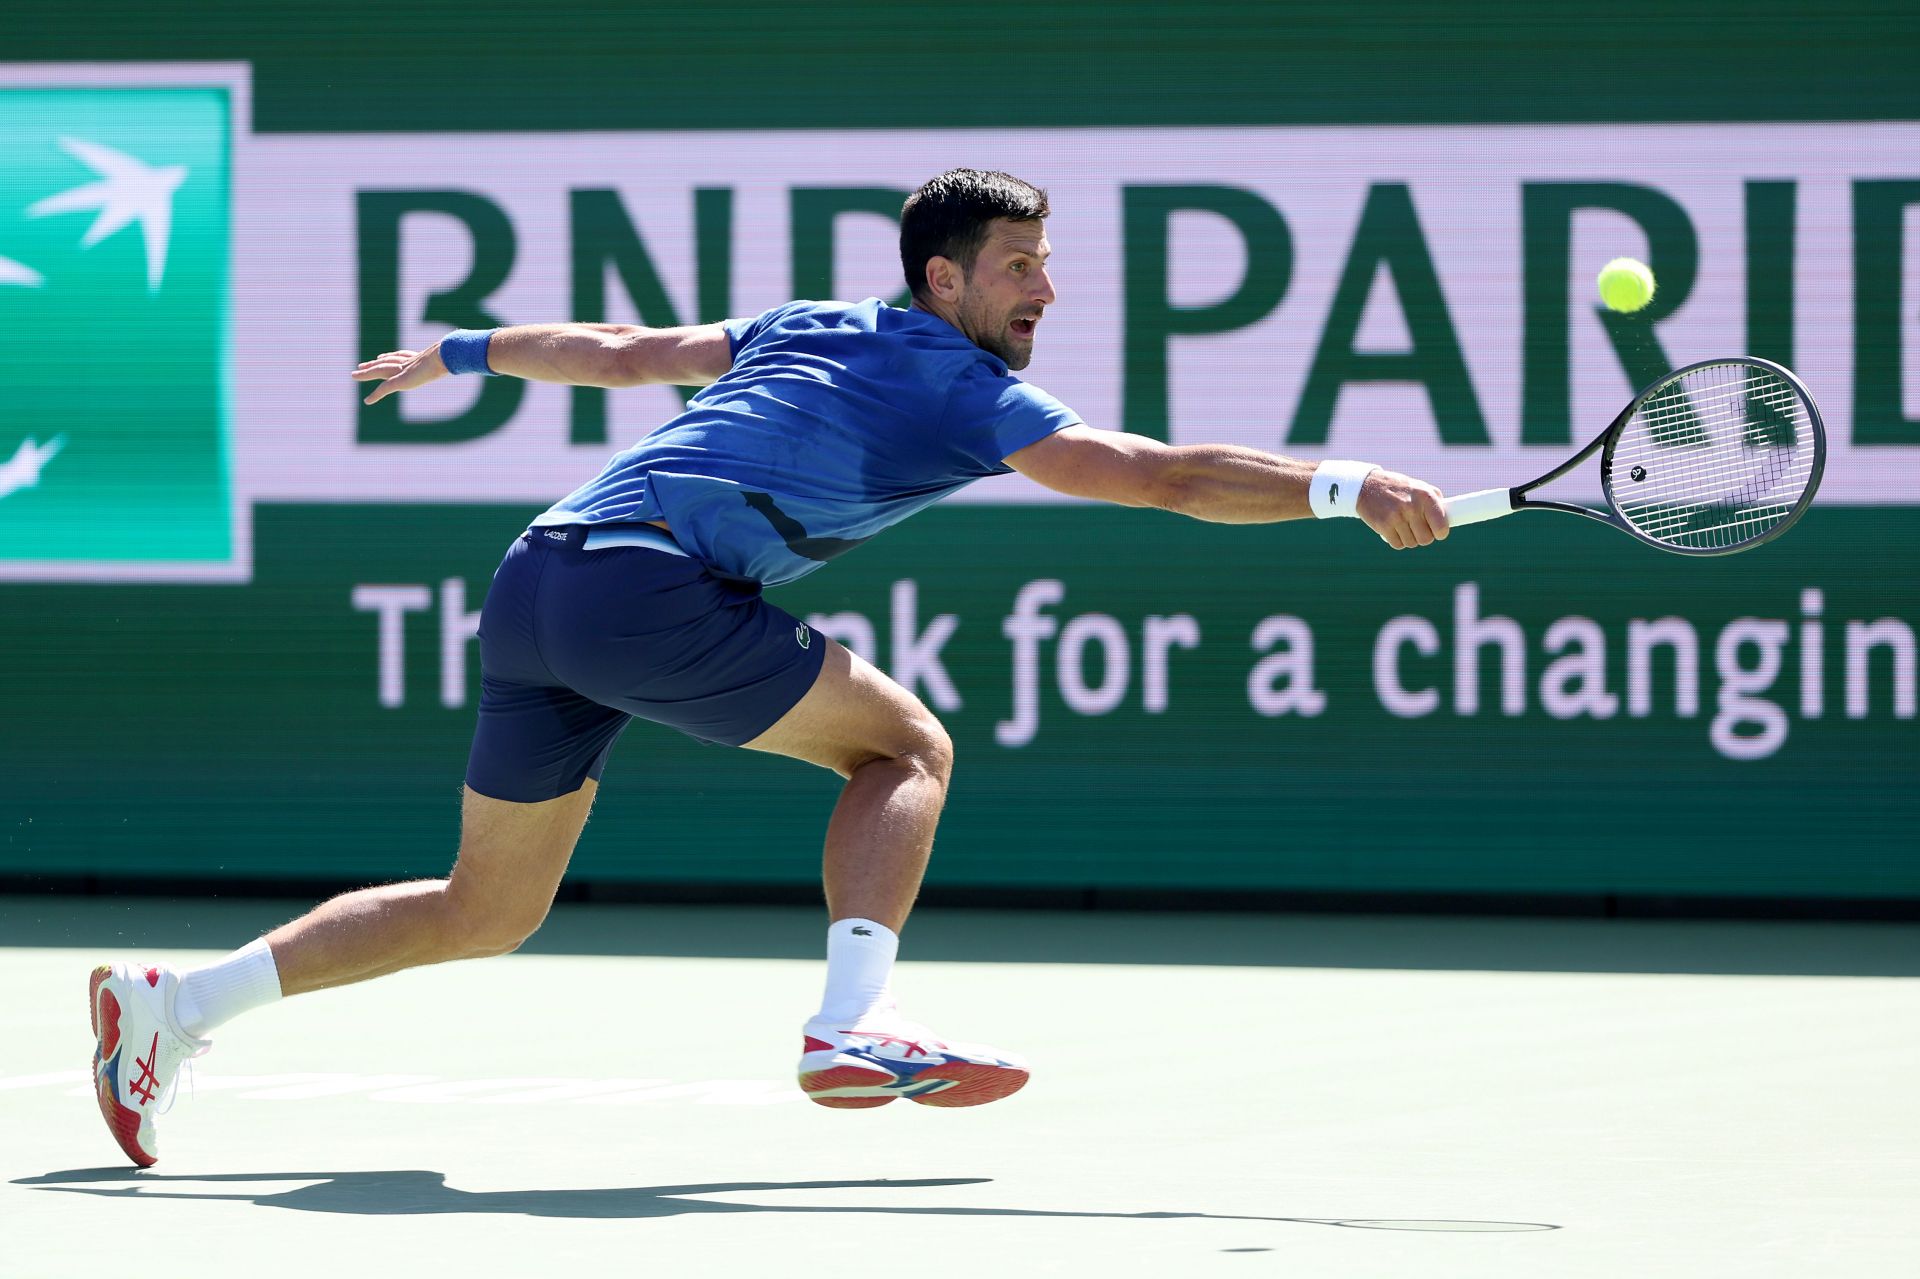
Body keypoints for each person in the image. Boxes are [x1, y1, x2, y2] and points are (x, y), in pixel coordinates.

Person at [89, 168, 1451, 1166]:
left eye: (1047, 262)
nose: (1048, 289)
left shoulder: (808, 321)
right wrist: (1342, 485)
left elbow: (622, 355)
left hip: (539, 579)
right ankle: (855, 1023)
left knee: (485, 909)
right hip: (645, 589)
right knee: (906, 747)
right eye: (1023, 266)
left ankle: (171, 1006)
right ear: (947, 280)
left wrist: (461, 351)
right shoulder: (963, 389)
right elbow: (1161, 478)